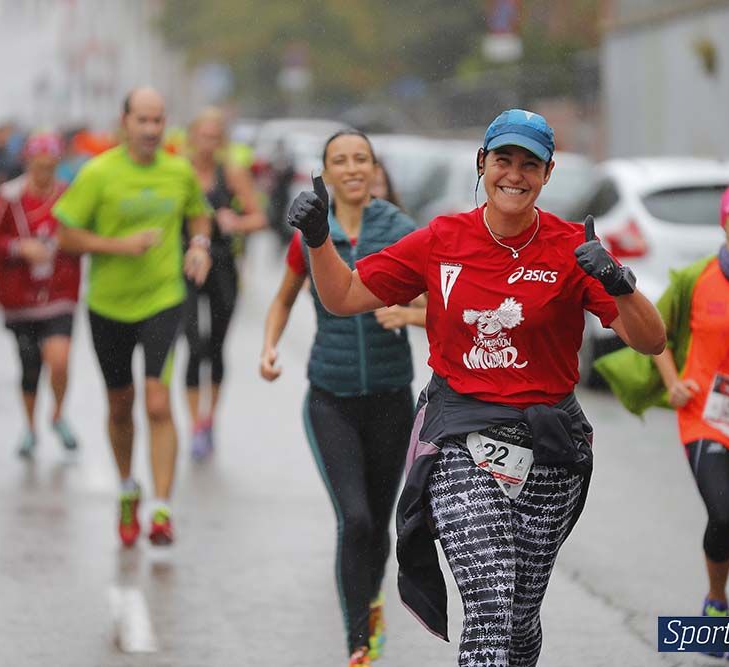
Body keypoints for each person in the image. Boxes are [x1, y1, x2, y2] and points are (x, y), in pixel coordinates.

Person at [286, 109, 666, 667]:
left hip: (549, 446)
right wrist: (319, 239)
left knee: (519, 618)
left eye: (529, 165)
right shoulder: (442, 238)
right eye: (503, 160)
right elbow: (343, 297)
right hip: (460, 437)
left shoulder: (570, 247)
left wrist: (618, 281)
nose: (514, 175)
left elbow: (650, 341)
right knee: (489, 605)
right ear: (482, 163)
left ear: (548, 174)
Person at [596, 180, 729, 661]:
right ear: (724, 221)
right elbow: (657, 334)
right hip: (706, 419)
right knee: (725, 514)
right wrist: (673, 383)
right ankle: (715, 600)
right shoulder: (695, 278)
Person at [261, 129, 421, 666]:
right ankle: (357, 644)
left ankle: (370, 604)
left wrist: (408, 313)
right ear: (325, 172)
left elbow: (443, 301)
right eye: (340, 160)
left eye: (361, 159)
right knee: (354, 519)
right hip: (331, 398)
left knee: (379, 523)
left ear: (374, 168)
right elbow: (283, 299)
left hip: (391, 399)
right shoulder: (313, 234)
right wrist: (269, 348)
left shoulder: (399, 231)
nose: (352, 168)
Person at [54, 87, 213, 548]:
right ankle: (128, 488)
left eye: (157, 120)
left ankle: (162, 509)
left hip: (163, 298)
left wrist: (199, 246)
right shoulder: (98, 173)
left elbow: (198, 216)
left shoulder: (178, 170)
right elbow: (65, 236)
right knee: (120, 405)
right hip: (108, 305)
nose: (150, 129)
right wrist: (118, 246)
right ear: (124, 122)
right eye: (142, 120)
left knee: (157, 402)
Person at [0, 132, 82, 458]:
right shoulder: (9, 197)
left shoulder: (69, 196)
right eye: (38, 166)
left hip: (60, 291)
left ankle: (58, 414)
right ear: (28, 162)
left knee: (59, 359)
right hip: (20, 297)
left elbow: (85, 233)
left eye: (50, 166)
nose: (44, 172)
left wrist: (68, 243)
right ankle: (30, 427)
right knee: (30, 366)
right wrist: (18, 247)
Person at [182, 107, 267, 460]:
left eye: (215, 137)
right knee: (193, 345)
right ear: (192, 136)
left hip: (221, 265)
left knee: (215, 346)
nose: (208, 143)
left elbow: (259, 218)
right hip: (185, 263)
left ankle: (209, 420)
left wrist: (236, 222)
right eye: (203, 135)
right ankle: (193, 425)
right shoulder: (180, 171)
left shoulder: (230, 172)